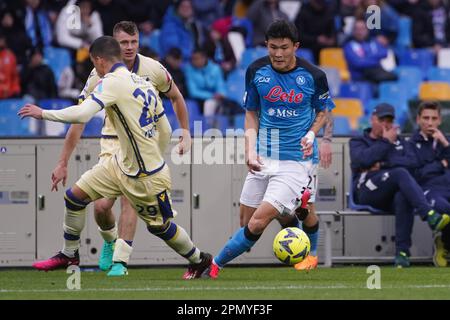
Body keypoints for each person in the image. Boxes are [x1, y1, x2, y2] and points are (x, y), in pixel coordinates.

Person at [18, 35, 212, 280]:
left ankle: (199, 260)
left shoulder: (111, 82)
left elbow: (81, 114)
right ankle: (70, 254)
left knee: (159, 227)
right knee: (75, 197)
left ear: (99, 60)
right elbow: (164, 128)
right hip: (120, 162)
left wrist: (42, 113)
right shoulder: (143, 82)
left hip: (145, 175)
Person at [50, 21, 191, 277]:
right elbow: (79, 119)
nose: (129, 47)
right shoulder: (98, 75)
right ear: (115, 45)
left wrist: (186, 133)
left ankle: (120, 262)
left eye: (133, 42)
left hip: (141, 146)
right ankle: (110, 240)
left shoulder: (153, 69)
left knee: (131, 200)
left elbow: (176, 97)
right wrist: (63, 161)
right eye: (124, 43)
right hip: (111, 142)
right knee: (102, 207)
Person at [202, 20, 333, 279]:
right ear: (266, 45)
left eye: (284, 47)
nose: (278, 54)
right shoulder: (256, 70)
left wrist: (313, 134)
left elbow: (324, 112)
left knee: (258, 222)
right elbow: (251, 113)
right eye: (273, 47)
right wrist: (250, 151)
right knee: (246, 220)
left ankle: (214, 266)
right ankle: (292, 212)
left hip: (297, 160)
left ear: (296, 46)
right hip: (263, 155)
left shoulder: (314, 76)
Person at [349, 102, 450, 267]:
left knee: (402, 195)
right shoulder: (358, 141)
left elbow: (412, 163)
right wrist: (386, 144)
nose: (386, 124)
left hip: (389, 192)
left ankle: (402, 254)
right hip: (366, 190)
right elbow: (362, 160)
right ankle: (429, 215)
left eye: (389, 120)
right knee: (400, 173)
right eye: (382, 120)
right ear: (373, 119)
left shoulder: (400, 142)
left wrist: (381, 164)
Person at [406, 101, 450, 267]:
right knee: (444, 208)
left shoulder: (446, 140)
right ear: (418, 120)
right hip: (428, 189)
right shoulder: (411, 144)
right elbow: (418, 173)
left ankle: (444, 242)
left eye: (434, 118)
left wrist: (445, 144)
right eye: (426, 118)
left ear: (439, 120)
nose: (430, 122)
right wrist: (442, 163)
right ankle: (444, 245)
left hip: (447, 185)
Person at [343, 19, 397, 83]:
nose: (359, 32)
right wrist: (375, 59)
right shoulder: (349, 46)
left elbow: (384, 53)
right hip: (360, 77)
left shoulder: (373, 42)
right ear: (353, 31)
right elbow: (358, 63)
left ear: (367, 30)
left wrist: (366, 58)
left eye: (362, 29)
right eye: (357, 29)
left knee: (394, 77)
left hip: (377, 73)